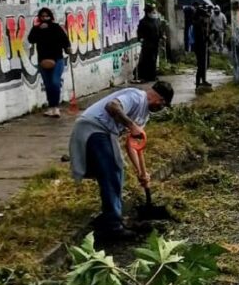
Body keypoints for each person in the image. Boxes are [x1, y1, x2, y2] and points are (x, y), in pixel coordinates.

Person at [69, 81, 174, 241]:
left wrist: (141, 172)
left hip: (104, 132)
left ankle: (111, 217)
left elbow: (133, 145)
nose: (161, 107)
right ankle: (113, 226)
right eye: (162, 103)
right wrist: (131, 125)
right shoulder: (136, 97)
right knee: (113, 171)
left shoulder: (144, 115)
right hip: (93, 127)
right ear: (156, 97)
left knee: (116, 170)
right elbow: (112, 106)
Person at [28, 7, 71, 118]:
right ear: (39, 18)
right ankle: (51, 107)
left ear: (50, 17)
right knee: (48, 84)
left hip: (57, 59)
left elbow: (64, 39)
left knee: (55, 82)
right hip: (43, 60)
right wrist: (38, 30)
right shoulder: (36, 29)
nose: (44, 18)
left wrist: (68, 47)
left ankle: (55, 107)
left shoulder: (56, 28)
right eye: (42, 16)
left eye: (47, 16)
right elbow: (31, 39)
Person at [135, 5, 161, 82]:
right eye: (152, 12)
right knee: (147, 60)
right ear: (148, 13)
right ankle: (145, 76)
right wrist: (141, 38)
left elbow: (159, 30)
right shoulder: (143, 22)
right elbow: (140, 32)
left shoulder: (156, 21)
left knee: (154, 60)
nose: (154, 13)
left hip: (155, 43)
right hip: (147, 44)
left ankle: (153, 75)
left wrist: (162, 36)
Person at [192, 5, 211, 88]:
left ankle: (203, 80)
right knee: (201, 65)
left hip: (203, 47)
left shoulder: (202, 24)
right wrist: (205, 39)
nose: (205, 18)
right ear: (200, 16)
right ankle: (198, 82)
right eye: (204, 17)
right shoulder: (197, 25)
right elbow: (199, 38)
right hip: (199, 47)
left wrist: (207, 38)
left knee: (205, 64)